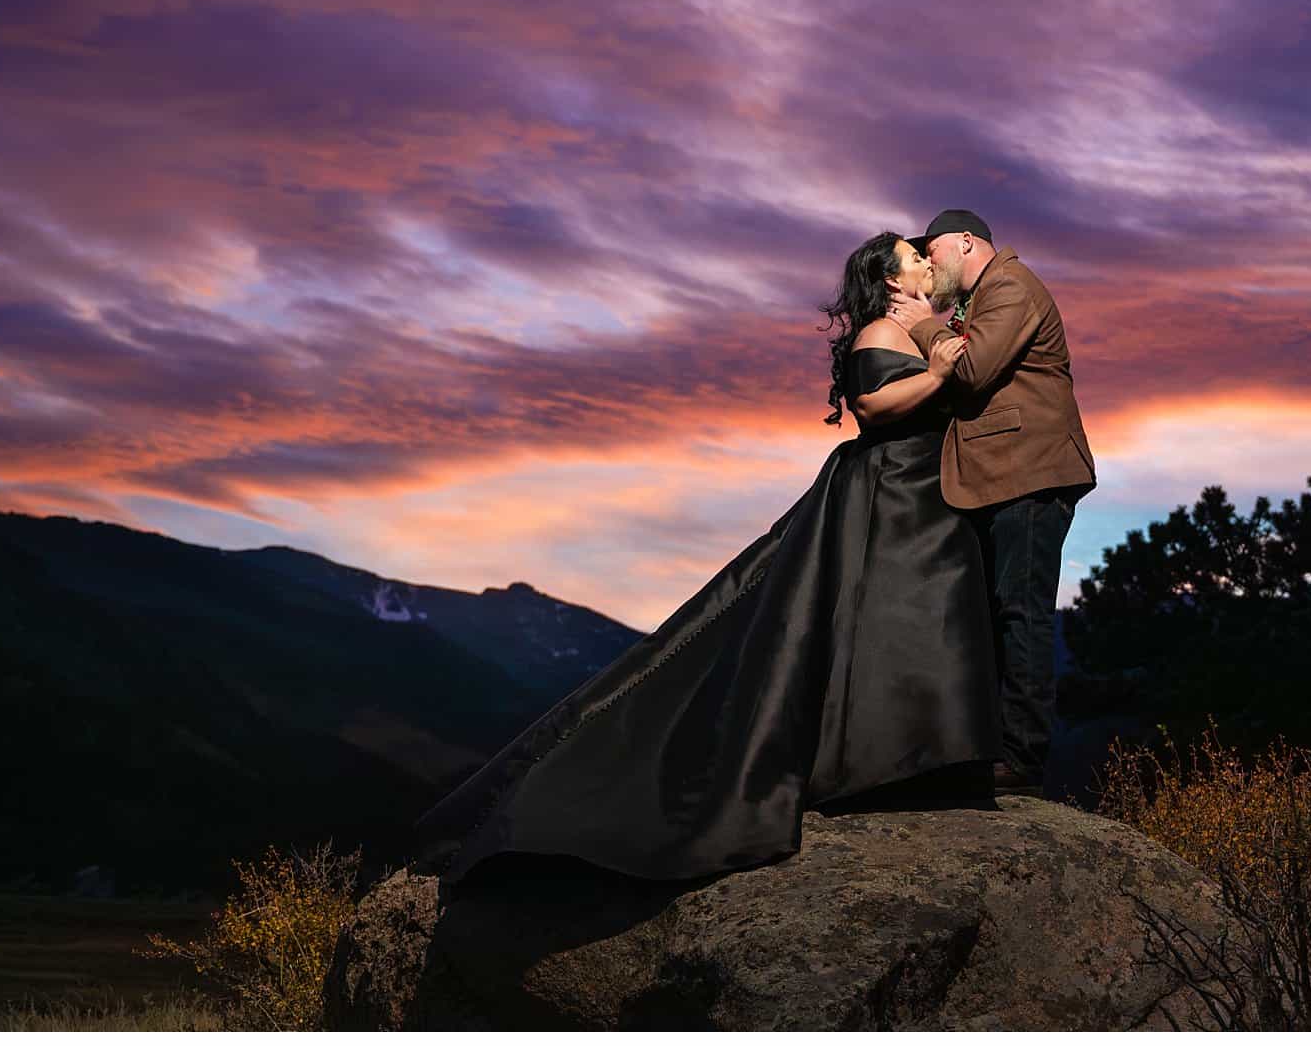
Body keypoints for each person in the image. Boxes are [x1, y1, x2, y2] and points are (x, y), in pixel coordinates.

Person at [409, 232, 1002, 890]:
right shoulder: (876, 337)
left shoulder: (921, 327)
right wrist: (942, 373)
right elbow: (870, 406)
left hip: (924, 492)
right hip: (889, 495)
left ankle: (920, 756)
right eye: (913, 256)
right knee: (872, 617)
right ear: (891, 280)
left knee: (921, 622)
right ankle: (870, 763)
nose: (926, 259)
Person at [885, 210, 1096, 797]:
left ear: (968, 242)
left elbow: (972, 370)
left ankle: (1022, 761)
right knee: (997, 613)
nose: (929, 264)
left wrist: (925, 327)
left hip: (1028, 474)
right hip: (997, 477)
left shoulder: (1010, 286)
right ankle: (986, 747)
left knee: (1020, 613)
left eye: (934, 251)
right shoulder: (979, 301)